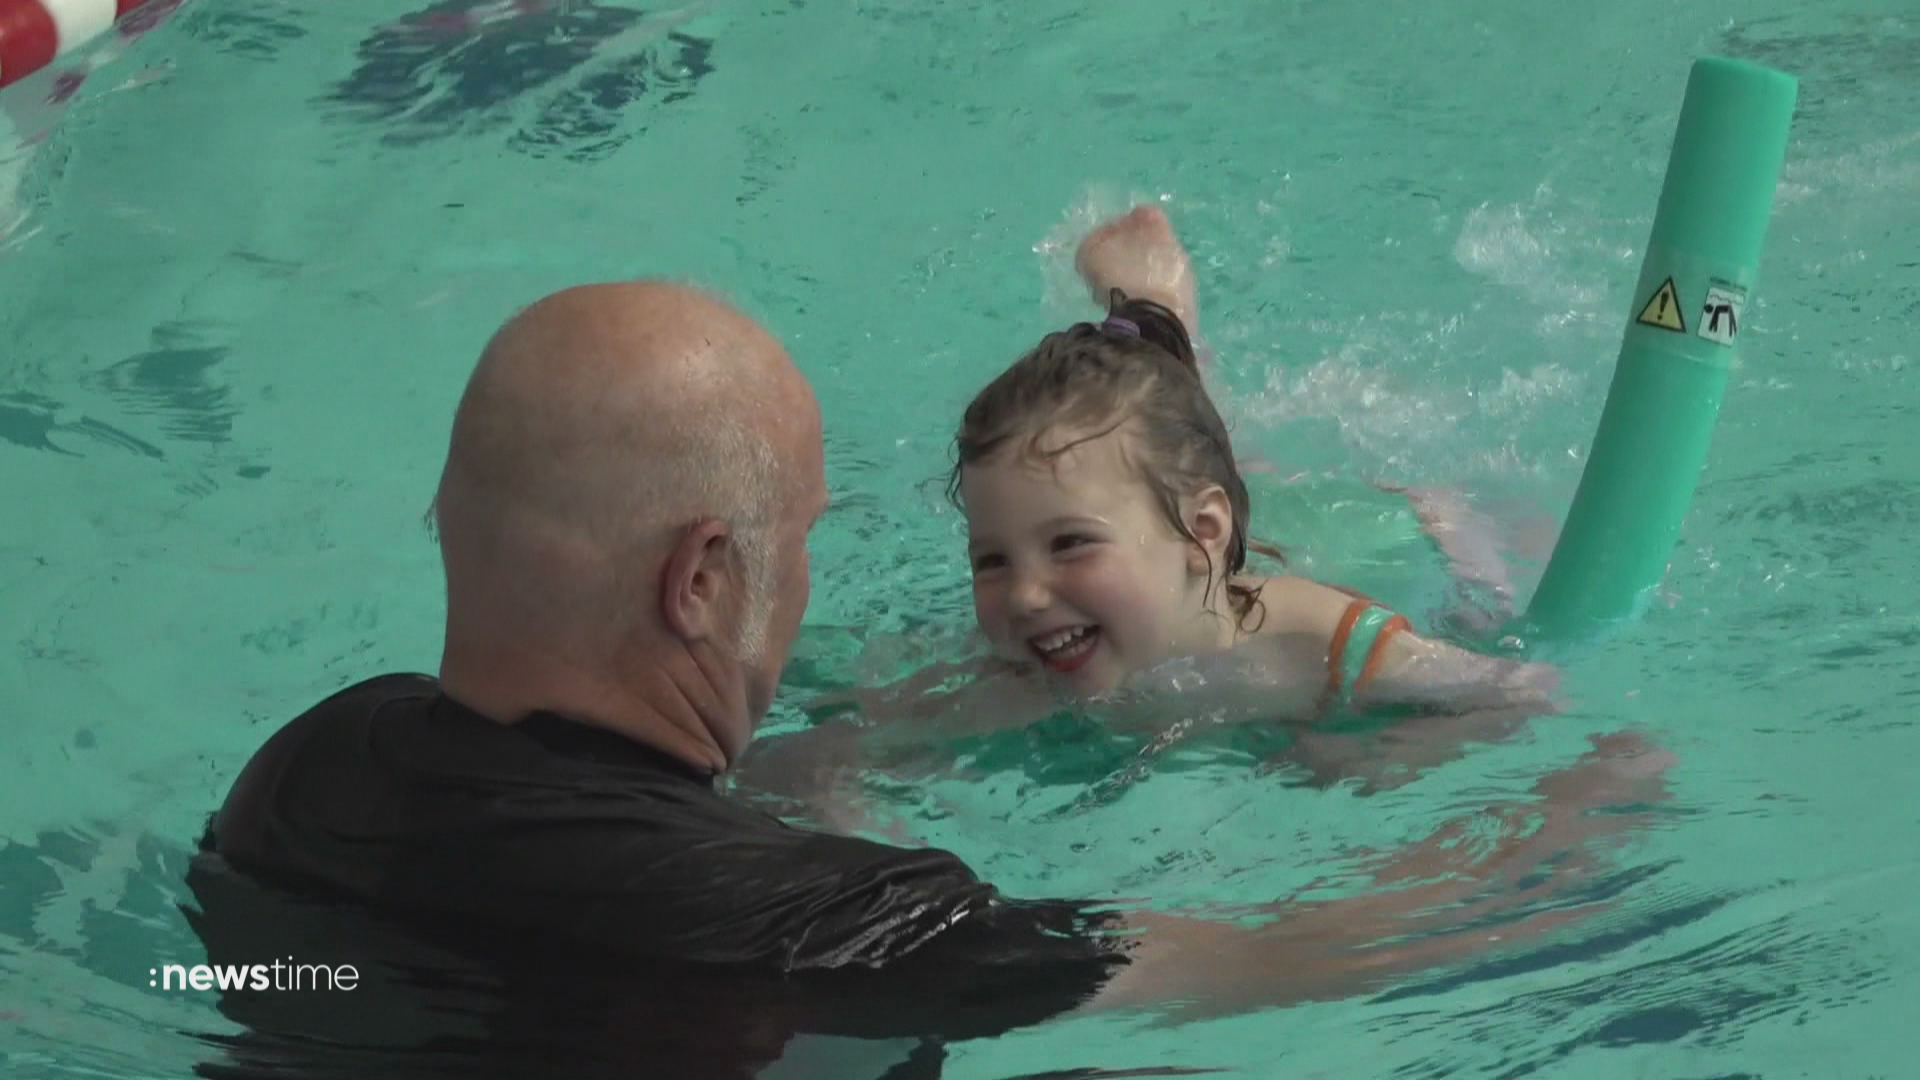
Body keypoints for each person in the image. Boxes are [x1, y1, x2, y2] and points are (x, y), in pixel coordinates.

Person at [185, 278, 1671, 1079]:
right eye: (800, 542)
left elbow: (256, 985)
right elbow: (1264, 968)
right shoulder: (807, 914)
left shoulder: (305, 772)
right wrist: (1551, 852)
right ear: (702, 581)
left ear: (446, 521)